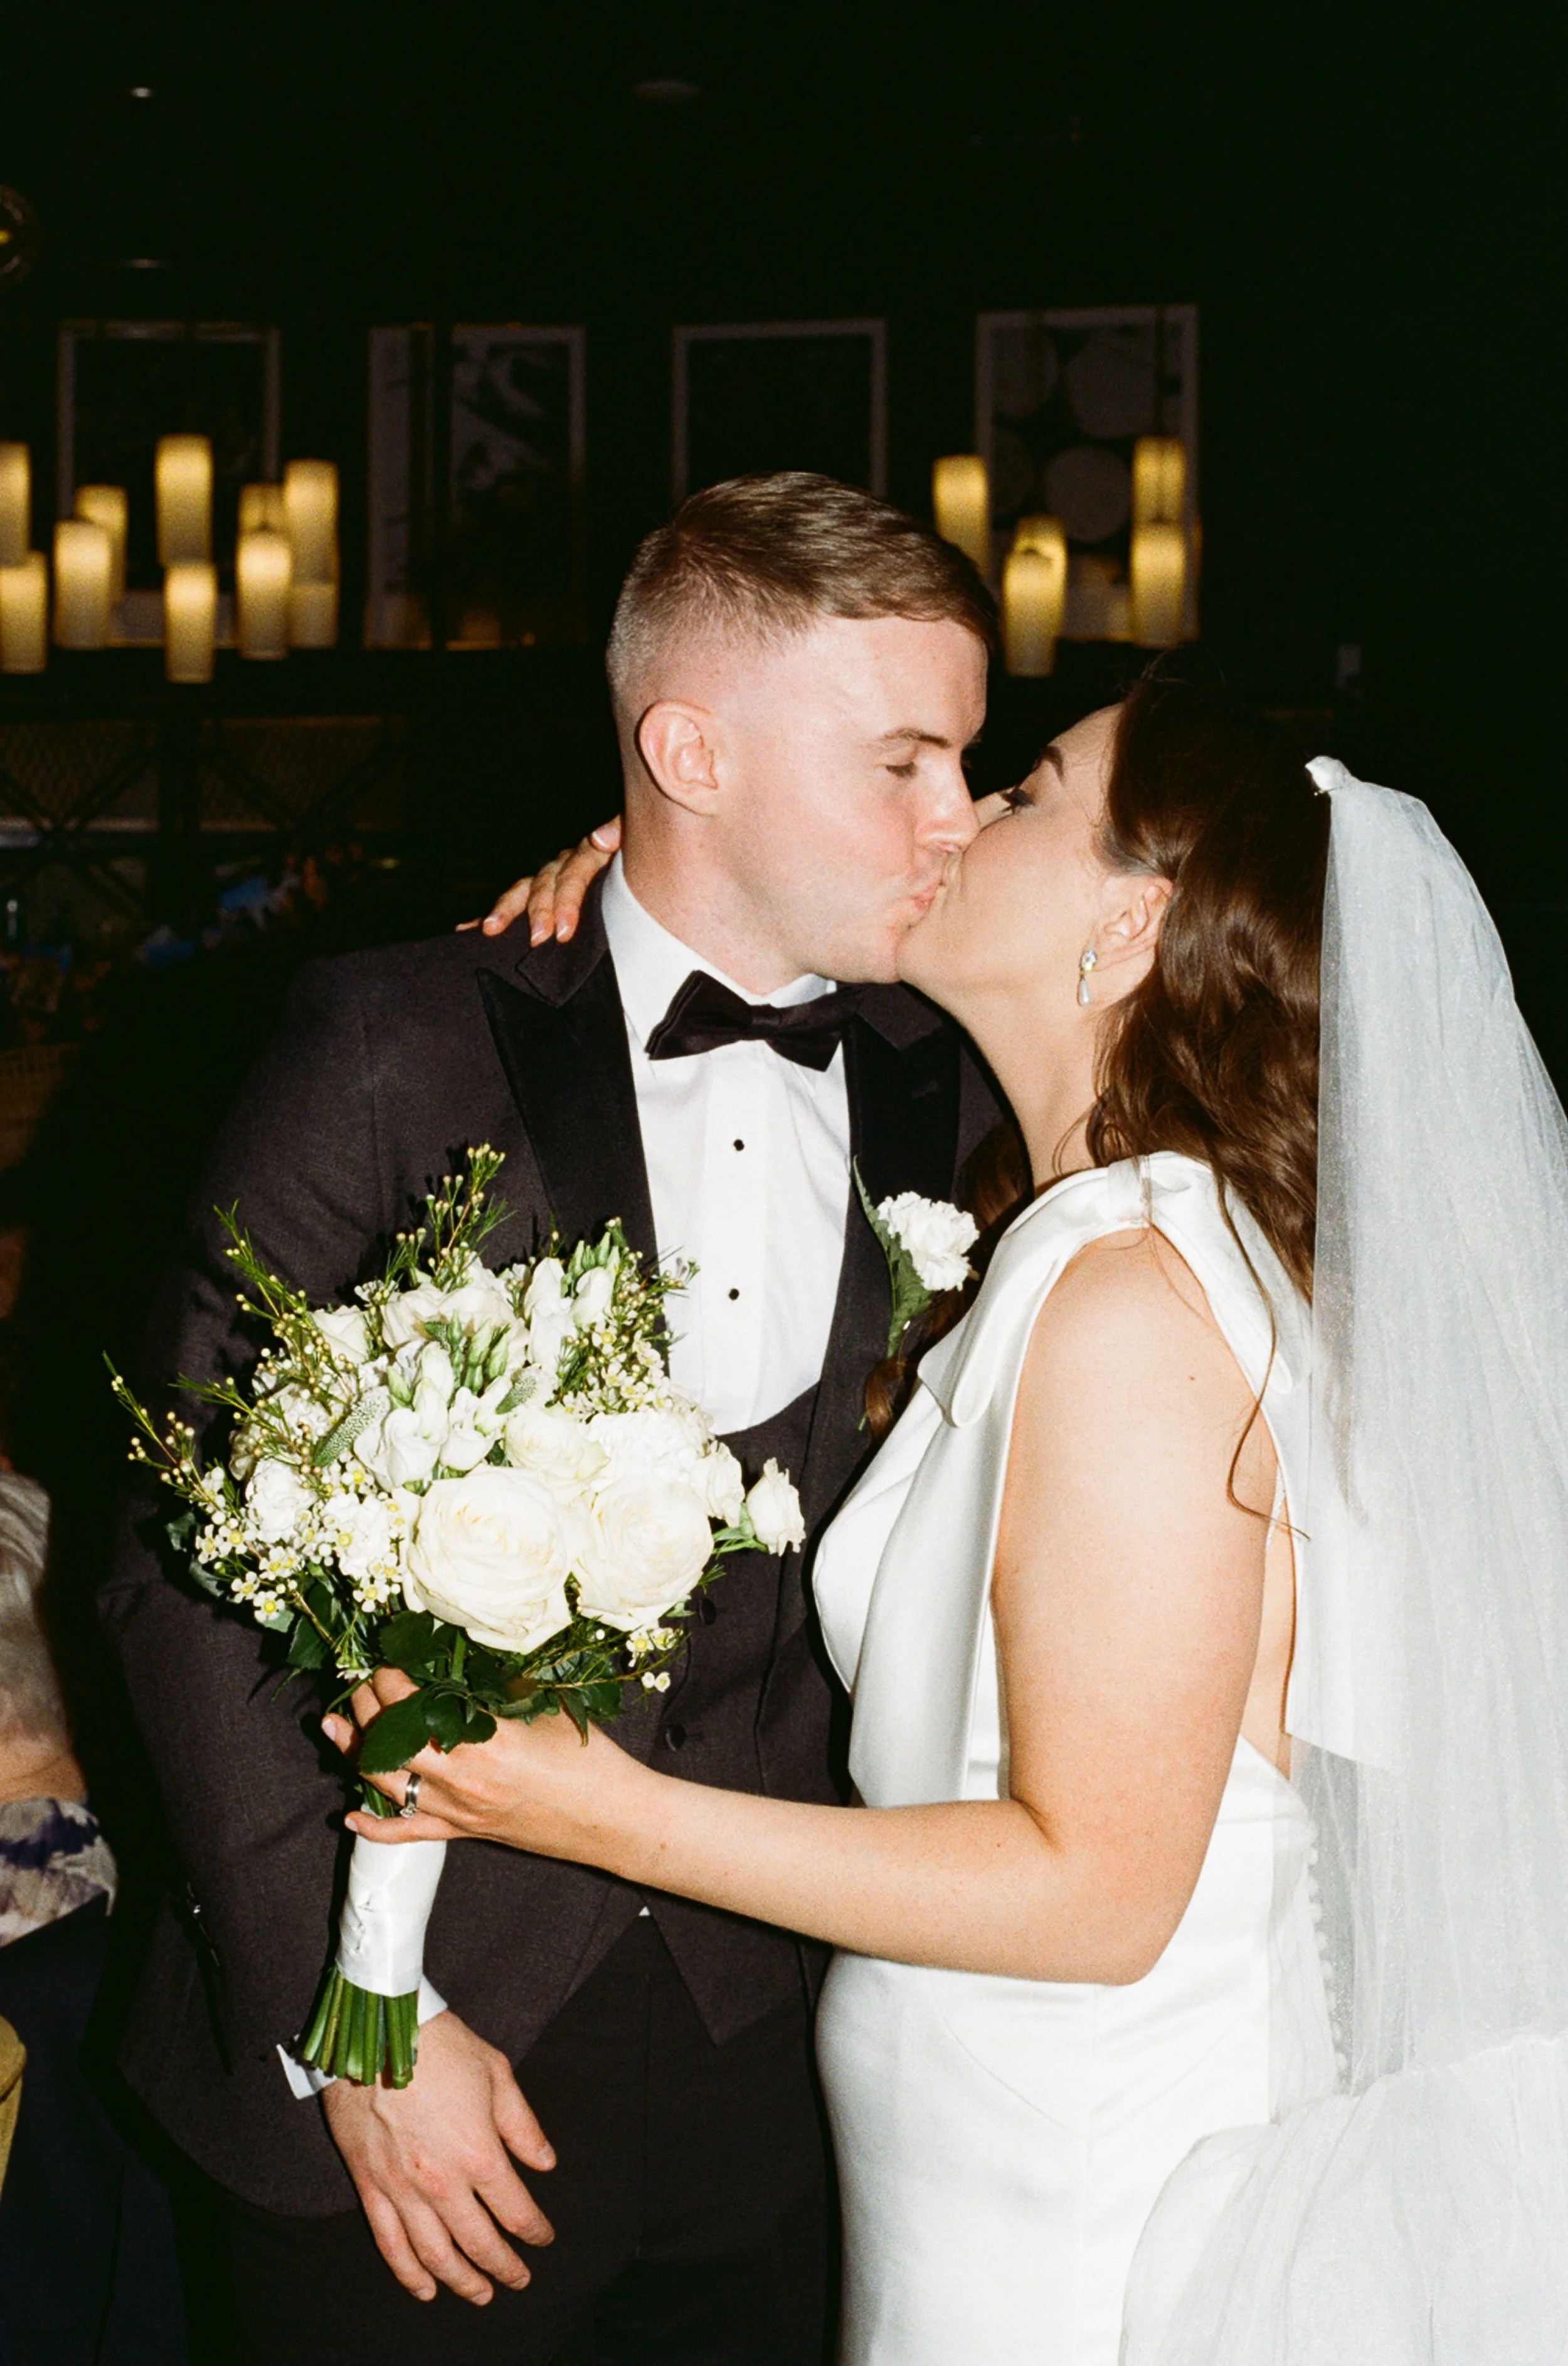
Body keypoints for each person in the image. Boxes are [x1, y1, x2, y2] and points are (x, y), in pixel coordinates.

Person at [336, 677, 1568, 2362]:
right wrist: (658, 869)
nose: (957, 815)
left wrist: (594, 1806)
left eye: (1024, 793)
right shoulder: (1082, 1229)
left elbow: (1093, 1891)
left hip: (1085, 2187)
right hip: (985, 2147)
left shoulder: (1138, 1299)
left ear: (1131, 918)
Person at [101, 470, 1009, 2365]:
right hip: (410, 2055)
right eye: (905, 763)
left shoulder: (954, 1061)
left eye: (970, 763)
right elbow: (173, 1560)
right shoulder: (395, 1037)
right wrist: (352, 2023)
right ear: (688, 746)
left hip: (791, 2065)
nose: (960, 822)